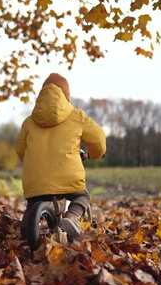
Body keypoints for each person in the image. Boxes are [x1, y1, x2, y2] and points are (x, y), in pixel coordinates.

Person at [16, 73, 106, 241]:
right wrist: (93, 154)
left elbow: (20, 149)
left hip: (35, 180)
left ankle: (28, 225)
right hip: (68, 178)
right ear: (66, 96)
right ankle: (72, 217)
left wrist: (30, 160)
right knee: (81, 196)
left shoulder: (29, 122)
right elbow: (99, 140)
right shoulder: (77, 116)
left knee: (34, 201)